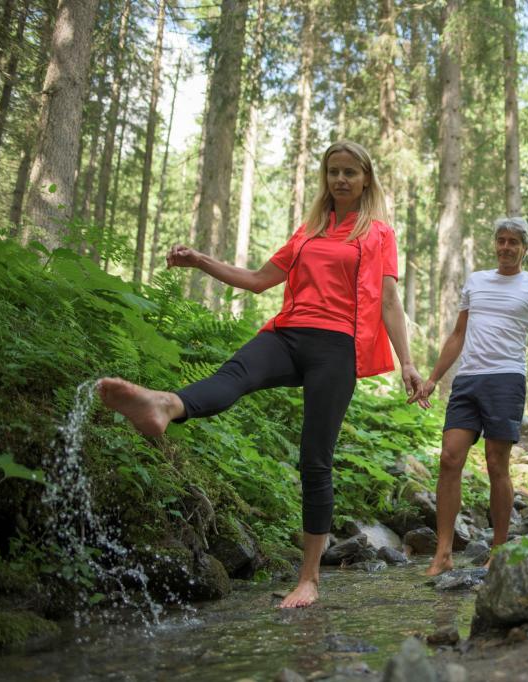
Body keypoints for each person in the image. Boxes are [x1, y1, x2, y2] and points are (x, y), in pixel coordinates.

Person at [97, 140, 423, 608]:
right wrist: (200, 260)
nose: (340, 179)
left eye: (350, 172)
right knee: (235, 374)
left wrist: (406, 361)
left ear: (366, 179)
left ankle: (308, 579)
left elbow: (389, 300)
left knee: (314, 459)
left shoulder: (378, 234)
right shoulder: (308, 232)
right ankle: (165, 405)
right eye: (333, 171)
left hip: (337, 348)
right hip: (287, 334)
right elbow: (256, 280)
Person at [411, 216, 528, 576]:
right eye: (501, 240)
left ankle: (498, 550)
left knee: (496, 463)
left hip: (506, 380)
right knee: (449, 457)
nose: (506, 247)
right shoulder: (476, 281)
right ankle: (443, 553)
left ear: (524, 248)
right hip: (467, 380)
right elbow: (458, 335)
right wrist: (433, 378)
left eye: (513, 242)